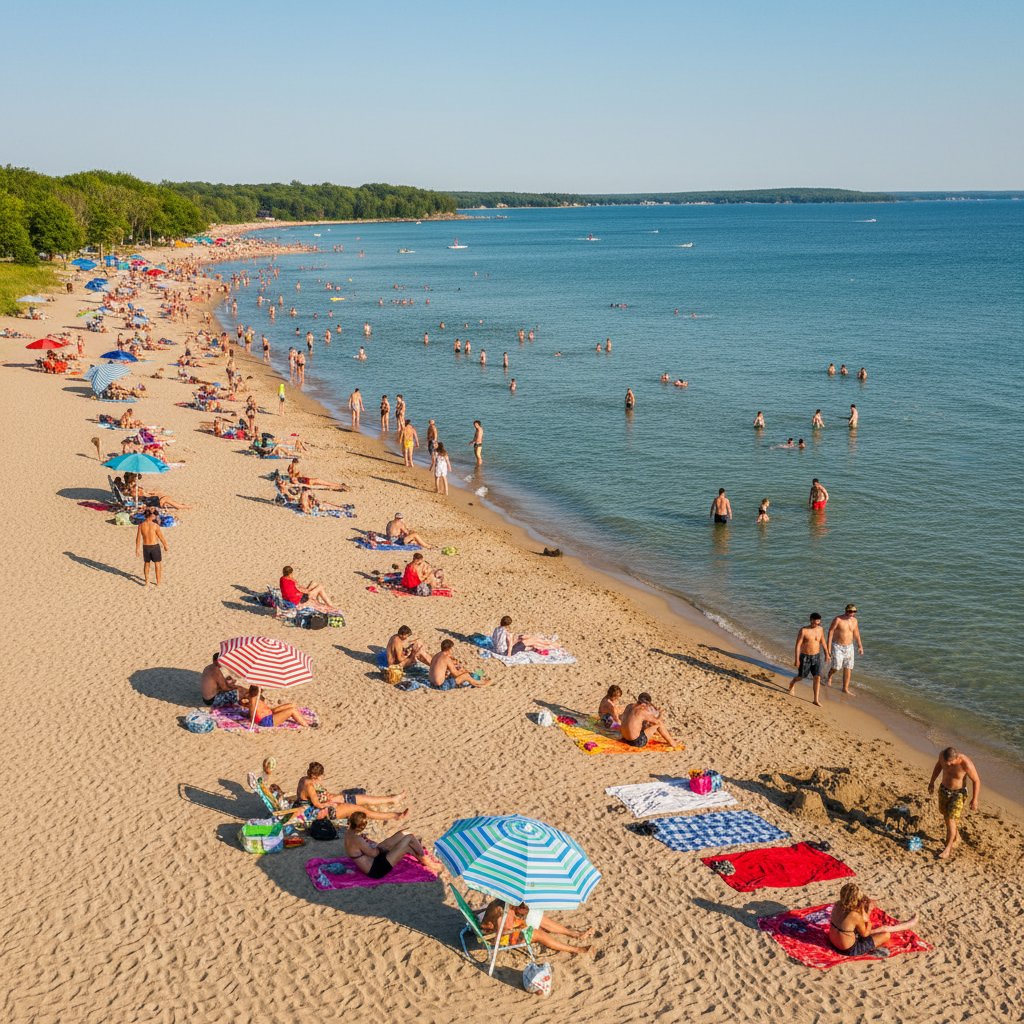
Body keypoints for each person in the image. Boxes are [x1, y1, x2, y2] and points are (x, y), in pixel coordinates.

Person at [828, 883, 919, 958]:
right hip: (849, 949)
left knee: (872, 929)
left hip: (833, 941)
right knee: (886, 935)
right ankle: (904, 925)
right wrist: (868, 916)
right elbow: (865, 933)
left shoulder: (837, 904)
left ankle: (900, 925)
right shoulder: (854, 915)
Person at [480, 899, 594, 956]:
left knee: (536, 917)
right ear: (519, 908)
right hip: (492, 935)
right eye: (525, 911)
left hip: (501, 924)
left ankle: (573, 933)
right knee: (538, 934)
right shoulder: (504, 914)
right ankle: (575, 950)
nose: (525, 914)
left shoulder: (508, 901)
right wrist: (521, 928)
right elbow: (498, 936)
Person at [296, 764, 408, 821]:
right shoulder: (310, 785)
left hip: (320, 803)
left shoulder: (305, 779)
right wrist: (329, 803)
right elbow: (317, 804)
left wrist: (328, 796)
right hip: (314, 812)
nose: (322, 779)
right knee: (361, 810)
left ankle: (393, 799)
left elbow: (319, 794)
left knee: (356, 798)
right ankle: (395, 816)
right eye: (321, 777)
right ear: (316, 776)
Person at [344, 811, 434, 878]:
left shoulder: (349, 833)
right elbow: (374, 853)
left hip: (373, 860)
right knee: (409, 838)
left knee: (404, 833)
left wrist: (380, 846)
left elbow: (363, 849)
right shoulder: (357, 839)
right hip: (376, 869)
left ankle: (423, 859)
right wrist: (382, 847)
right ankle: (425, 859)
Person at [928, 747, 981, 858]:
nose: (947, 766)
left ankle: (948, 848)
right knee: (946, 816)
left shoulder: (966, 764)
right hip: (944, 789)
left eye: (950, 764)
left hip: (958, 793)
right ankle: (957, 838)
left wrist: (974, 799)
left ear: (956, 759)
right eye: (946, 764)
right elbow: (938, 767)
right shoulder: (942, 755)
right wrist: (932, 781)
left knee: (951, 819)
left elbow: (976, 780)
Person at [788, 613, 828, 707]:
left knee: (817, 677)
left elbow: (823, 641)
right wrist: (797, 659)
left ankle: (815, 700)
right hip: (805, 657)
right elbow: (798, 645)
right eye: (814, 622)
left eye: (818, 622)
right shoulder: (804, 630)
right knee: (801, 676)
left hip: (816, 657)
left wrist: (827, 653)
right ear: (810, 620)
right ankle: (792, 683)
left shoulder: (820, 629)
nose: (816, 624)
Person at [826, 604, 863, 694]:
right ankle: (829, 676)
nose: (852, 613)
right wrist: (829, 647)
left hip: (849, 647)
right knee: (837, 666)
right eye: (850, 611)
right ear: (846, 611)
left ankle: (845, 688)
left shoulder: (855, 621)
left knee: (848, 667)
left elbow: (856, 633)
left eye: (854, 612)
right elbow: (831, 631)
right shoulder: (838, 619)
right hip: (837, 646)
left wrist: (860, 646)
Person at [239, 685, 310, 729]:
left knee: (292, 705)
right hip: (265, 720)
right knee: (292, 710)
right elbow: (243, 701)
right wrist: (244, 701)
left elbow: (246, 703)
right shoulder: (253, 699)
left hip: (269, 713)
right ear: (257, 692)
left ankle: (303, 719)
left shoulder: (254, 699)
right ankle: (306, 725)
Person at [135, 507, 168, 586]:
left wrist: (137, 549)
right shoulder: (155, 525)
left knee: (147, 563)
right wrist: (165, 545)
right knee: (157, 564)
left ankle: (147, 582)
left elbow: (138, 538)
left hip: (146, 546)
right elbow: (160, 536)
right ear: (150, 516)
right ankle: (158, 583)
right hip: (154, 546)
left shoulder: (141, 526)